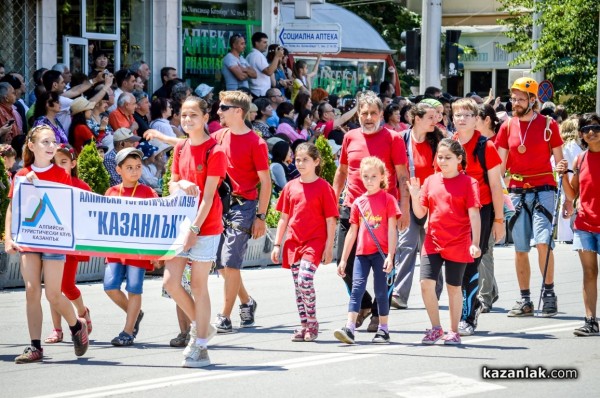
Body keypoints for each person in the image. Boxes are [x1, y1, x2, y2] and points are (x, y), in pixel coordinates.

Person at [5, 125, 89, 363]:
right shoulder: (21, 175)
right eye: (45, 142)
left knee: (53, 294)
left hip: (53, 240)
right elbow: (13, 208)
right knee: (32, 290)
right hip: (29, 239)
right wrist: (9, 237)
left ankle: (75, 326)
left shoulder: (62, 174)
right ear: (31, 146)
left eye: (53, 142)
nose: (51, 146)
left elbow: (64, 206)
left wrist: (39, 185)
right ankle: (35, 346)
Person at [332, 91, 409, 333]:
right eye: (363, 113)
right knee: (343, 263)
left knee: (384, 266)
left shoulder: (393, 139)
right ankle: (364, 304)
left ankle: (378, 312)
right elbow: (342, 172)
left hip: (383, 212)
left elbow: (403, 175)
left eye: (373, 113)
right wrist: (334, 203)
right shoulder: (350, 138)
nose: (368, 117)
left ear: (381, 114)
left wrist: (404, 209)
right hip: (352, 209)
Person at [163, 96, 227, 367]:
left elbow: (210, 197)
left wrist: (195, 228)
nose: (187, 120)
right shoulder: (180, 148)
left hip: (206, 226)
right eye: (183, 115)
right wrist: (182, 185)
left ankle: (200, 344)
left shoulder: (216, 151)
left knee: (199, 286)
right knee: (170, 282)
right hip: (180, 225)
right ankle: (203, 326)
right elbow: (172, 185)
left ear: (205, 117)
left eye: (193, 115)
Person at [495, 77, 564, 317]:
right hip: (515, 191)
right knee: (521, 248)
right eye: (513, 98)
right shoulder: (506, 127)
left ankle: (548, 293)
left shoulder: (548, 124)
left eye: (520, 99)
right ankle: (525, 299)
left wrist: (564, 177)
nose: (515, 103)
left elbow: (559, 161)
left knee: (543, 241)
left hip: (544, 188)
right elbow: (499, 167)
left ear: (533, 100)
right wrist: (496, 196)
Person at [408, 138, 481, 345]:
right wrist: (414, 195)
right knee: (425, 284)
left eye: (448, 157)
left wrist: (475, 242)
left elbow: (474, 215)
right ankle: (435, 328)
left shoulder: (469, 183)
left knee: (453, 288)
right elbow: (421, 213)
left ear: (459, 159)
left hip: (458, 242)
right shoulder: (431, 181)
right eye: (440, 157)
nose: (443, 161)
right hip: (432, 240)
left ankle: (454, 330)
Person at [212, 90, 271, 333]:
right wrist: (163, 137)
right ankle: (247, 301)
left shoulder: (256, 143)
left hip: (244, 206)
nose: (218, 112)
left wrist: (261, 217)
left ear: (238, 112)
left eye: (223, 107)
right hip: (221, 204)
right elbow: (190, 144)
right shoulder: (219, 135)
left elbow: (265, 183)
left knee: (231, 262)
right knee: (222, 265)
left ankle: (225, 316)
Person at [271, 143, 338, 342]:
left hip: (314, 242)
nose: (300, 163)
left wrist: (328, 248)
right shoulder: (291, 186)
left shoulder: (324, 187)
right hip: (293, 242)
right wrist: (277, 245)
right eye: (298, 159)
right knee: (298, 286)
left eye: (305, 160)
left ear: (316, 162)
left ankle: (313, 322)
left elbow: (330, 220)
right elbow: (284, 217)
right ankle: (303, 325)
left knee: (305, 280)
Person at [449, 98, 504, 337]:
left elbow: (495, 186)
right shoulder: (449, 144)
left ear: (476, 120)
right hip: (455, 211)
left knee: (471, 261)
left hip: (481, 211)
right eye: (457, 115)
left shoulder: (485, 146)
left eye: (467, 115)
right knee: (457, 263)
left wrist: (499, 221)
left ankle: (468, 318)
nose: (461, 119)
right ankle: (469, 308)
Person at [334, 156, 401, 344]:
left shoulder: (388, 200)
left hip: (381, 255)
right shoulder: (357, 203)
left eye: (373, 176)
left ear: (382, 177)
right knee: (356, 289)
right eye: (365, 176)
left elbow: (392, 230)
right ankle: (350, 327)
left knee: (381, 291)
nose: (369, 180)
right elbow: (352, 232)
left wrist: (390, 256)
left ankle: (383, 329)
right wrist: (344, 259)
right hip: (362, 254)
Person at [391, 102, 444, 310]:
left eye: (436, 117)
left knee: (432, 248)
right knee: (406, 245)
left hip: (432, 202)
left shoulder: (438, 140)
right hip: (407, 199)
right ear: (417, 119)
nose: (435, 121)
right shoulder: (401, 140)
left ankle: (435, 293)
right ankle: (399, 294)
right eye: (430, 117)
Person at [103, 147, 158, 346]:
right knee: (110, 287)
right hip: (115, 250)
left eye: (138, 167)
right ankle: (135, 315)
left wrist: (155, 252)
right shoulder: (111, 192)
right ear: (119, 170)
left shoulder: (147, 192)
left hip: (138, 251)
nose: (134, 171)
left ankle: (127, 332)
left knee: (134, 289)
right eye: (129, 167)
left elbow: (157, 222)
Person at [44, 144, 93, 345]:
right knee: (52, 288)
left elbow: (89, 214)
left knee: (66, 285)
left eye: (64, 162)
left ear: (73, 163)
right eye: (55, 162)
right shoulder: (45, 183)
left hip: (71, 243)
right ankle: (57, 329)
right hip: (50, 241)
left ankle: (82, 312)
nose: (59, 166)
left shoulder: (81, 187)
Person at [559, 113, 600, 336]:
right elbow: (573, 193)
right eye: (585, 129)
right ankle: (590, 321)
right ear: (581, 134)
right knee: (589, 273)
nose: (591, 132)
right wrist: (563, 175)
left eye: (595, 127)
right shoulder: (580, 159)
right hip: (585, 224)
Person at [556, 117, 583, 243]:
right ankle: (567, 235)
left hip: (566, 176)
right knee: (568, 202)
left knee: (565, 202)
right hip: (571, 176)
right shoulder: (571, 146)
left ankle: (565, 235)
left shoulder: (564, 145)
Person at [246, 32, 284, 97]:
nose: (267, 45)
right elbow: (269, 72)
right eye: (264, 42)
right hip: (259, 93)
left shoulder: (250, 55)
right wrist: (277, 56)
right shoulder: (257, 55)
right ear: (256, 43)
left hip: (256, 91)